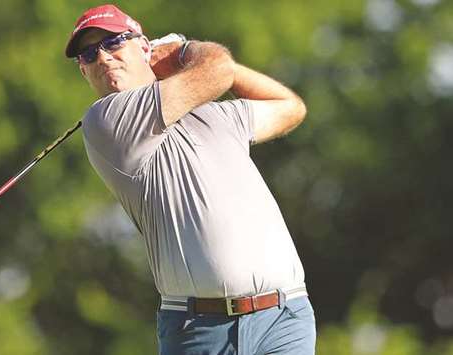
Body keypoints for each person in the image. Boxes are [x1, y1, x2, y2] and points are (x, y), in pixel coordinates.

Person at [65, 4, 315, 355]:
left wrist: (205, 66)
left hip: (284, 318)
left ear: (143, 47)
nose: (103, 58)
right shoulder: (106, 121)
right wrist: (183, 51)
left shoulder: (214, 115)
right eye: (89, 54)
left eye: (114, 43)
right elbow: (216, 68)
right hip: (199, 329)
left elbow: (289, 107)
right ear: (84, 71)